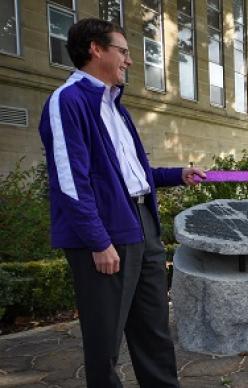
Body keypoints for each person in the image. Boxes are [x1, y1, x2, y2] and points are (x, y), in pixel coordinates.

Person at [37, 18, 206, 387]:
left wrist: (178, 174)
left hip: (142, 225)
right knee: (105, 341)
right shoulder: (67, 101)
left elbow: (131, 176)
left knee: (154, 331)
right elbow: (70, 181)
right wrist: (98, 241)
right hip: (105, 233)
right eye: (123, 52)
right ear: (96, 49)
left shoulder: (115, 106)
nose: (129, 61)